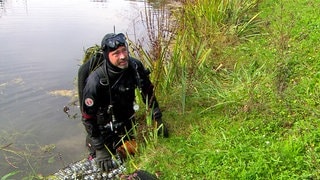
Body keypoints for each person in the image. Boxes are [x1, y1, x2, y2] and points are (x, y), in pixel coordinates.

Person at [78, 33, 168, 172]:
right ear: (107, 55)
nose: (122, 56)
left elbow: (148, 93)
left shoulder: (135, 67)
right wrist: (100, 149)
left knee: (134, 155)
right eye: (116, 53)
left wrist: (158, 118)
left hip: (128, 123)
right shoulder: (96, 81)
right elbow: (87, 118)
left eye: (124, 50)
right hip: (103, 130)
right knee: (104, 168)